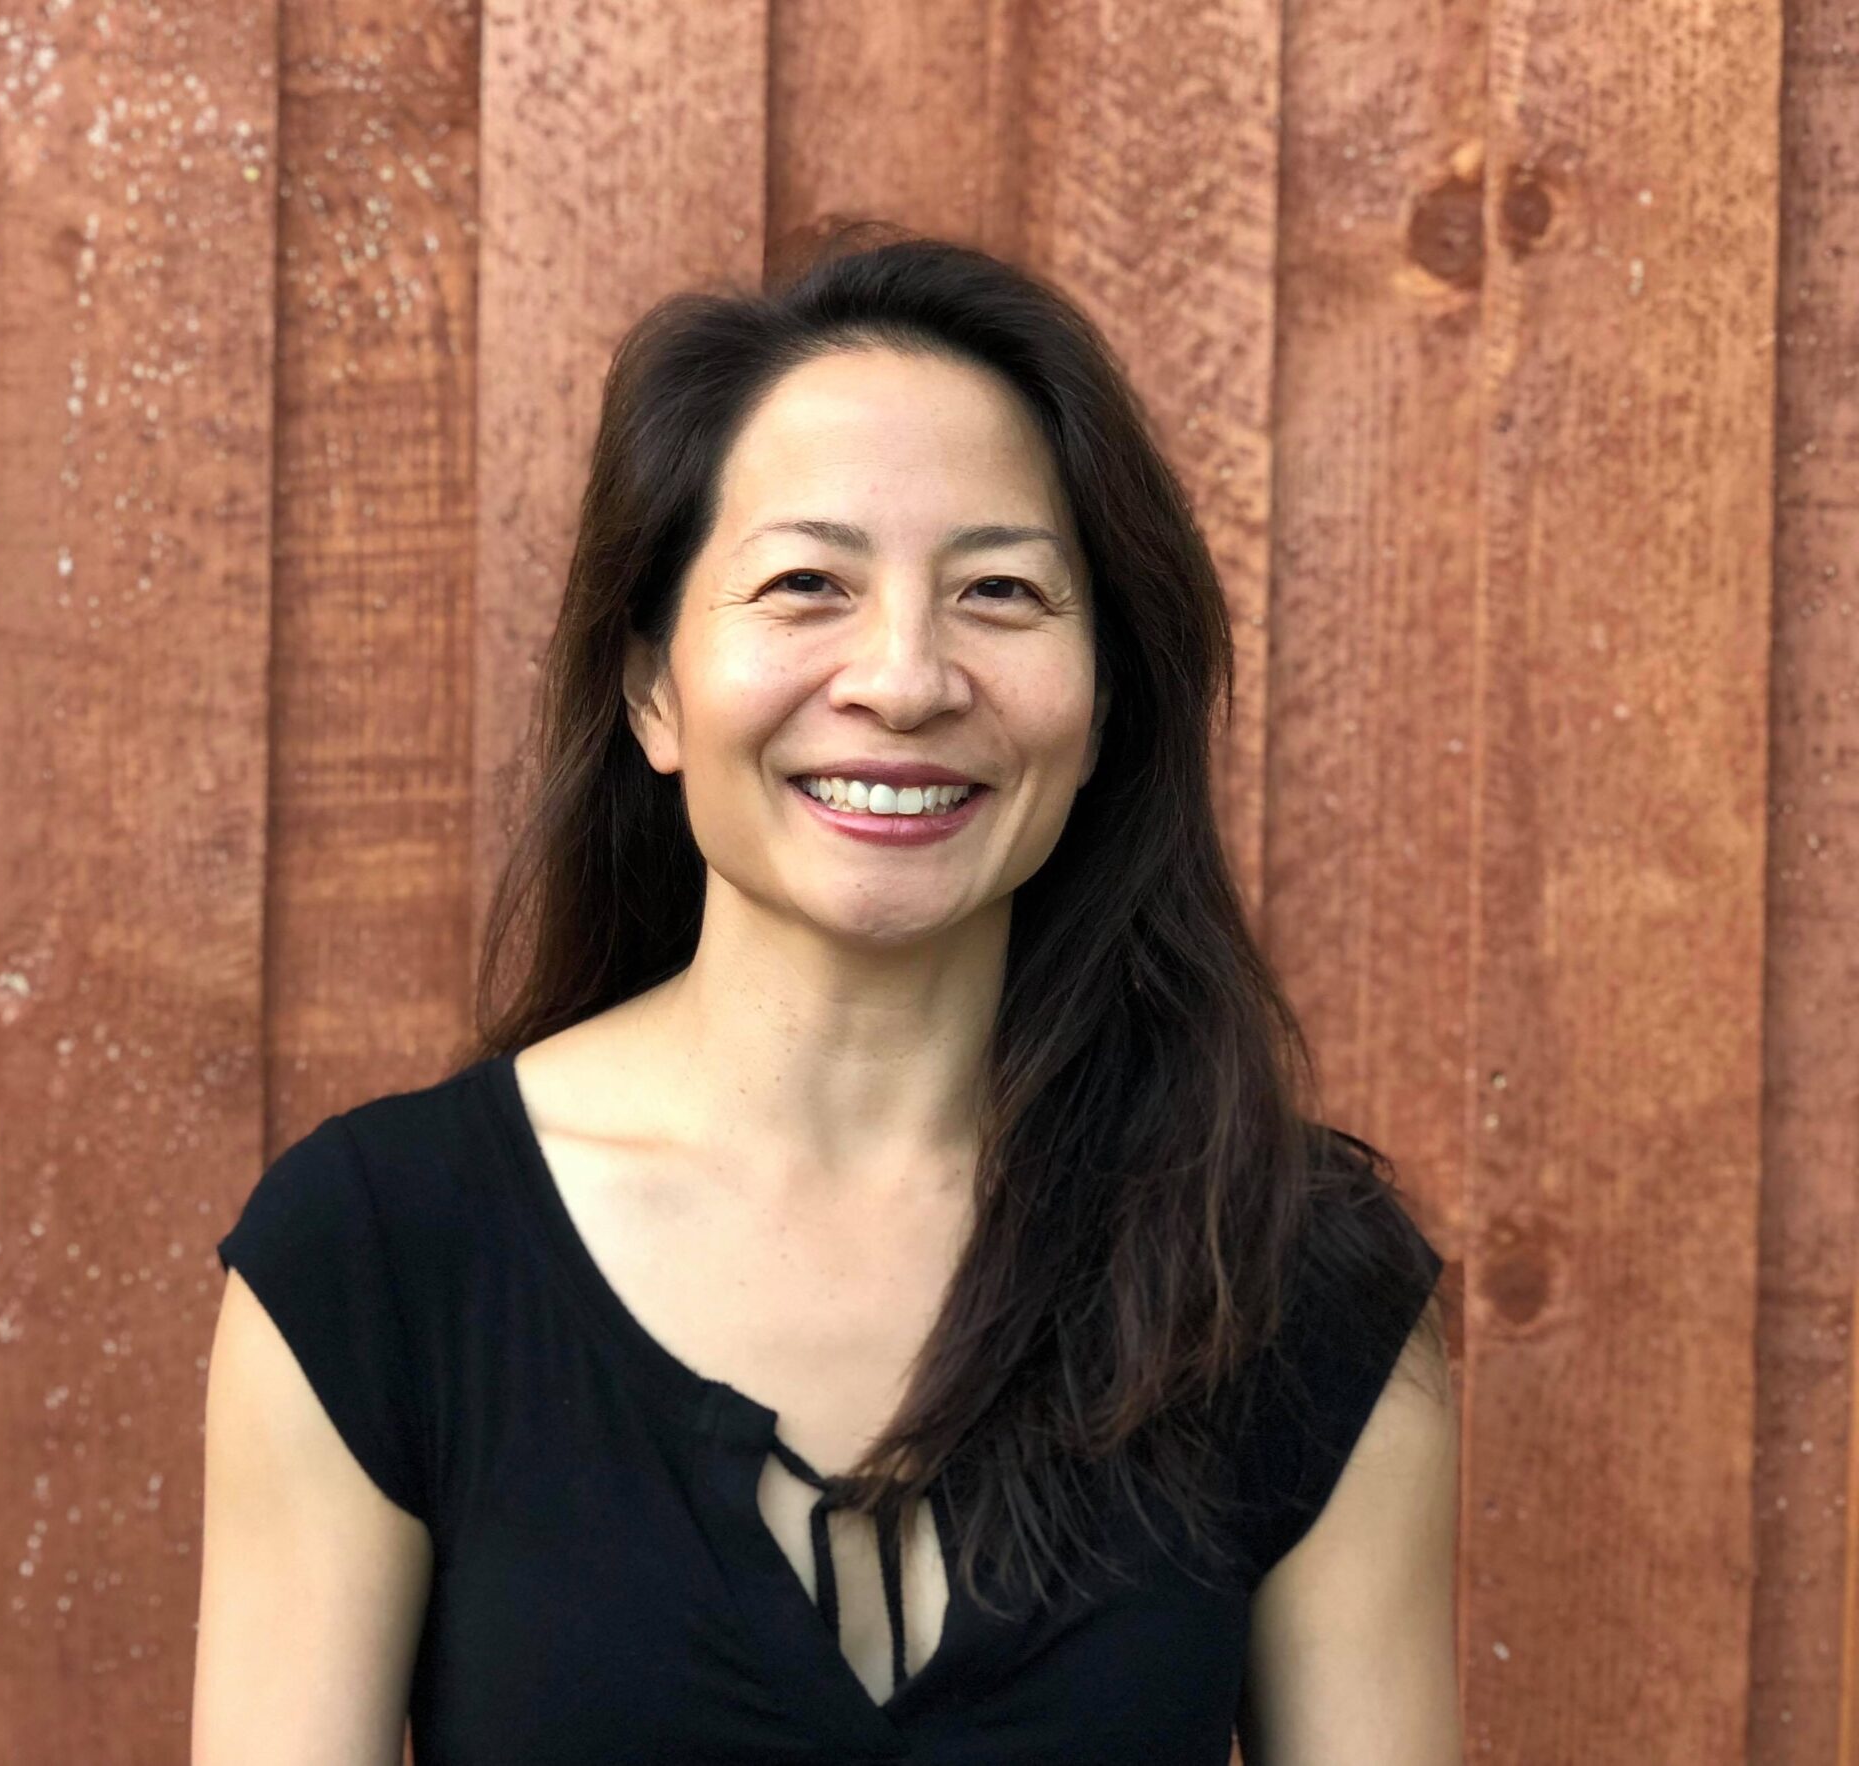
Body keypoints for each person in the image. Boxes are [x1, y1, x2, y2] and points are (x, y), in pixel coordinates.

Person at [193, 226, 1458, 1765]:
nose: (905, 678)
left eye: (1000, 590)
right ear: (652, 687)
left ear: (1104, 702)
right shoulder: (380, 1257)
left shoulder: (1291, 1276)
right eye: (807, 583)